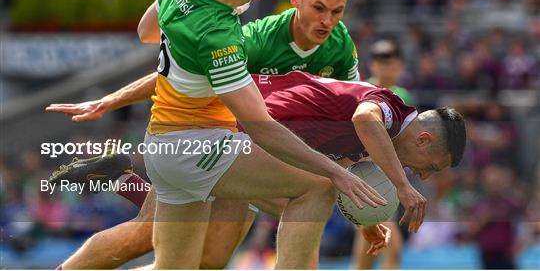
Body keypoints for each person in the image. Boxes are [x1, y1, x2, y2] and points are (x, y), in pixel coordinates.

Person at [49, 0, 389, 269]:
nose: (327, 19)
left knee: (197, 263)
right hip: (204, 147)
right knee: (317, 187)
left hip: (170, 142)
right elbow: (262, 127)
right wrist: (338, 174)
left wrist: (229, 6)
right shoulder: (225, 38)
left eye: (336, 11)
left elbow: (146, 31)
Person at [47, 71, 466, 269]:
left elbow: (334, 164)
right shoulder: (390, 109)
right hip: (224, 131)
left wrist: (363, 220)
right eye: (431, 168)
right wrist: (401, 187)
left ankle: (120, 176)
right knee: (317, 189)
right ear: (426, 140)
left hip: (230, 143)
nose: (423, 176)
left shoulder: (376, 138)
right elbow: (364, 120)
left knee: (200, 260)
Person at [354, 39, 413, 269]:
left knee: (368, 252)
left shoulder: (404, 96)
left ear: (399, 66)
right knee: (391, 245)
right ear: (373, 65)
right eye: (381, 62)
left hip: (389, 180)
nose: (386, 68)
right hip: (364, 178)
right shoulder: (363, 92)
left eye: (391, 63)